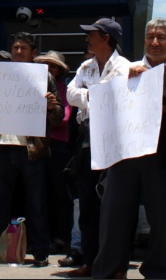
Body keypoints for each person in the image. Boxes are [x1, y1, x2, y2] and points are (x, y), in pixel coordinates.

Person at [92, 18, 166, 280]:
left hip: (163, 154)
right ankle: (111, 270)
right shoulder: (124, 70)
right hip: (124, 153)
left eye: (161, 37)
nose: (155, 42)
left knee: (161, 219)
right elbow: (104, 98)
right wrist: (157, 102)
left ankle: (156, 272)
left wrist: (144, 88)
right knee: (115, 215)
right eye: (150, 37)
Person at [0, 32, 61, 267]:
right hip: (3, 146)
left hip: (31, 150)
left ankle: (40, 251)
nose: (18, 51)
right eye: (15, 47)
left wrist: (51, 107)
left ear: (33, 53)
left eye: (23, 48)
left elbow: (58, 116)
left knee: (36, 202)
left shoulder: (44, 77)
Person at [63, 17, 133, 277]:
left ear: (106, 38)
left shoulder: (123, 66)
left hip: (113, 138)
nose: (87, 39)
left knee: (114, 206)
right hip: (86, 138)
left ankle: (116, 265)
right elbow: (70, 94)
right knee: (87, 204)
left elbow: (115, 95)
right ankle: (90, 261)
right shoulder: (85, 66)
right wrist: (94, 94)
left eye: (92, 34)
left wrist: (89, 94)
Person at [36, 49, 73, 255]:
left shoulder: (64, 89)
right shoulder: (31, 87)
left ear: (59, 70)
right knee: (40, 192)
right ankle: (43, 236)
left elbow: (64, 118)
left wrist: (47, 111)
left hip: (57, 145)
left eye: (53, 66)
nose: (48, 69)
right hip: (37, 144)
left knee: (59, 192)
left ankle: (61, 237)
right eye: (45, 65)